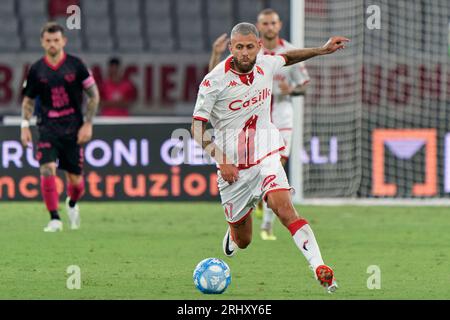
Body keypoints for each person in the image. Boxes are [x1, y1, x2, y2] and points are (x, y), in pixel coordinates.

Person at [192, 22, 348, 292]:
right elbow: (196, 128)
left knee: (284, 208)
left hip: (266, 155)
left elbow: (288, 57)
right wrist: (221, 159)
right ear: (231, 48)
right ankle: (233, 234)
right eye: (239, 47)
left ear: (259, 47)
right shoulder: (213, 81)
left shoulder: (266, 64)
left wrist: (322, 50)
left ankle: (319, 266)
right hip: (234, 170)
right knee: (244, 241)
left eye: (250, 47)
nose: (244, 53)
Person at [209, 9, 311, 241]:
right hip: (250, 122)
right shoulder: (248, 53)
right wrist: (215, 55)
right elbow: (215, 82)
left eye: (273, 23)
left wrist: (293, 90)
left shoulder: (290, 51)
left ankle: (266, 224)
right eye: (265, 23)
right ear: (259, 27)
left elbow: (305, 85)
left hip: (282, 117)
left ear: (280, 25)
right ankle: (250, 209)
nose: (269, 27)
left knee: (277, 165)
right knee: (261, 171)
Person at [20, 22, 100, 232]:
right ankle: (54, 218)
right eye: (48, 40)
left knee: (76, 183)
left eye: (56, 40)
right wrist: (24, 125)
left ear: (64, 41)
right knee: (47, 169)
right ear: (42, 42)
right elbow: (28, 101)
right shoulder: (36, 70)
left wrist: (88, 124)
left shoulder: (76, 65)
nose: (52, 44)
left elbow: (94, 96)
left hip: (73, 128)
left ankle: (72, 203)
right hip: (47, 127)